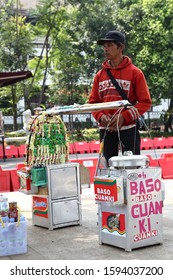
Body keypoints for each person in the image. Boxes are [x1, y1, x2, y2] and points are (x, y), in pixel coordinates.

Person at [88, 30, 152, 164]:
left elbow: (145, 102)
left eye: (110, 45)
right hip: (106, 129)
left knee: (132, 167)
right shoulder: (99, 75)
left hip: (128, 128)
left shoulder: (135, 73)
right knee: (108, 167)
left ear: (121, 47)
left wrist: (124, 117)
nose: (106, 49)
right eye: (104, 46)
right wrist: (101, 117)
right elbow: (93, 103)